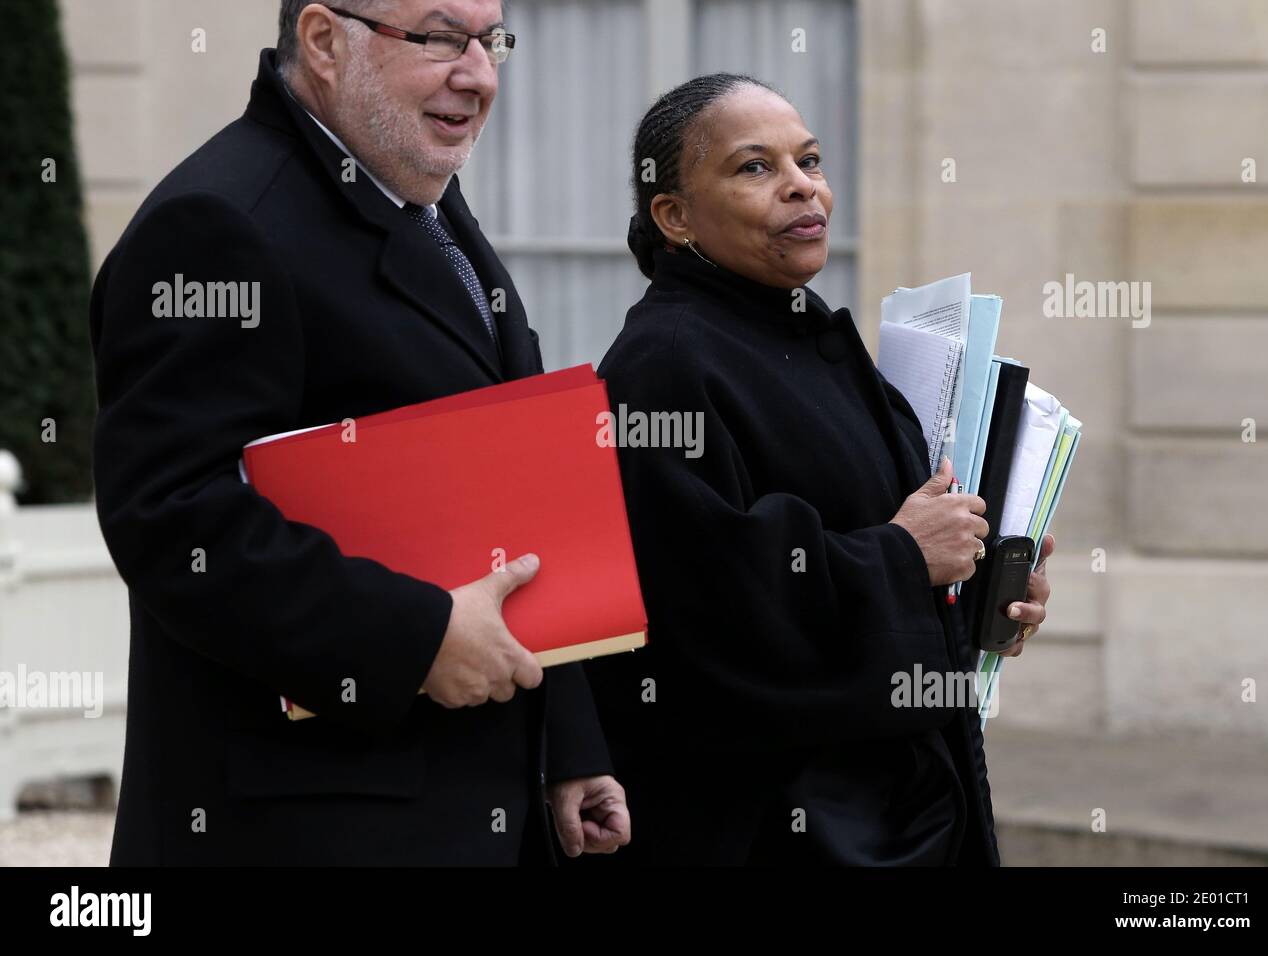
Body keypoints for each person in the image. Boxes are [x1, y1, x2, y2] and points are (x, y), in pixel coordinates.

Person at [89, 0, 628, 865]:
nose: (480, 74)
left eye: (490, 42)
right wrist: (413, 640)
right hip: (308, 826)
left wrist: (567, 751)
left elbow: (511, 493)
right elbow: (172, 520)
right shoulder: (218, 223)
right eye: (441, 38)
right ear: (325, 40)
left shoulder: (414, 194)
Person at [585, 73, 1055, 865]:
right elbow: (703, 603)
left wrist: (982, 585)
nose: (803, 187)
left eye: (809, 161)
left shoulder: (809, 337)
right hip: (781, 828)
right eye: (754, 168)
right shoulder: (661, 366)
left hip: (901, 806)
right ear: (675, 216)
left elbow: (891, 527)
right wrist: (904, 557)